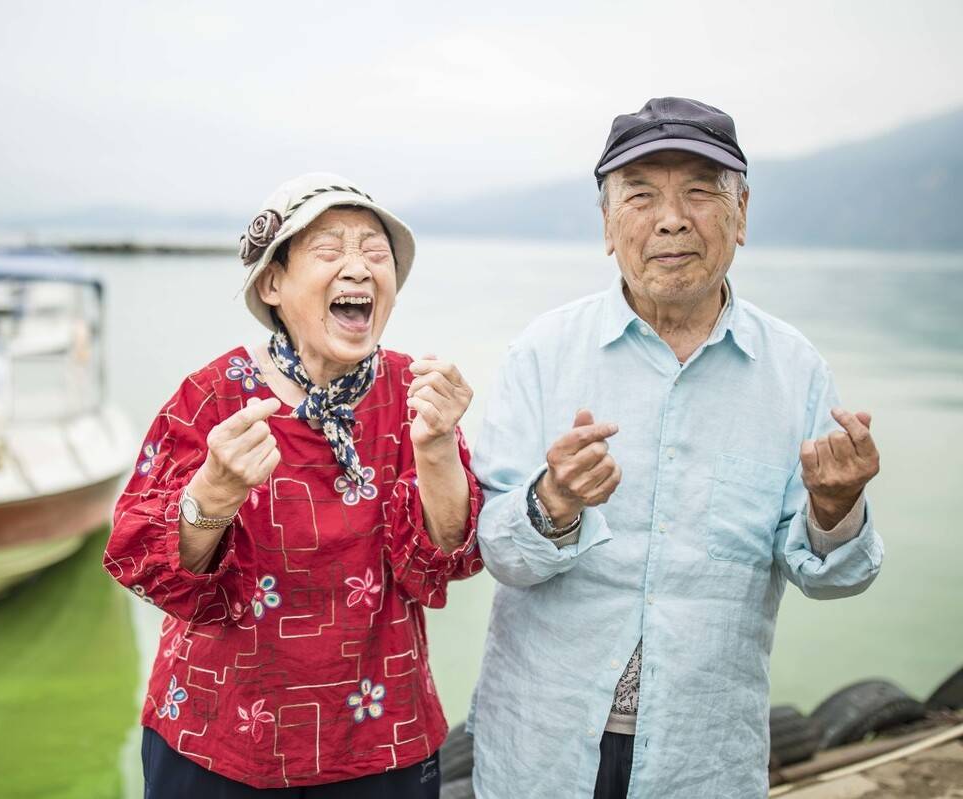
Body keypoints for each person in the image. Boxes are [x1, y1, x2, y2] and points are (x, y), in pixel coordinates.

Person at [468, 98, 884, 799]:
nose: (671, 218)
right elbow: (498, 553)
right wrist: (554, 501)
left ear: (742, 213)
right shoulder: (542, 352)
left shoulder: (796, 369)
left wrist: (836, 506)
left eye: (699, 191)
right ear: (607, 223)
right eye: (640, 195)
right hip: (539, 743)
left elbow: (832, 577)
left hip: (702, 757)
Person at [104, 173, 484, 798]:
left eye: (376, 252)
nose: (358, 268)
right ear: (273, 284)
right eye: (330, 251)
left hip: (380, 736)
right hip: (220, 737)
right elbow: (142, 561)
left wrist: (438, 447)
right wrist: (212, 497)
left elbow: (443, 563)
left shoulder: (414, 395)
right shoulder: (213, 396)